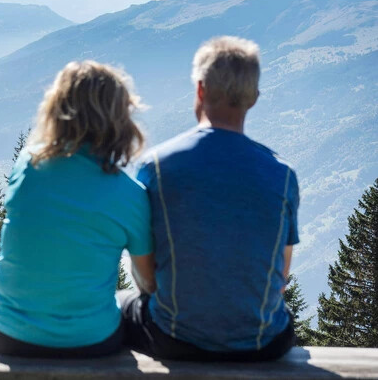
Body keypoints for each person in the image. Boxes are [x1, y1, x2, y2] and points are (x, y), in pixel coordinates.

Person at [120, 36, 299, 361]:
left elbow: (146, 275)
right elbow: (281, 276)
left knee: (119, 304)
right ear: (254, 98)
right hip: (263, 343)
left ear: (200, 89)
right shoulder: (283, 174)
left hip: (176, 339)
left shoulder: (156, 165)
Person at [0, 60, 157, 358]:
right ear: (118, 119)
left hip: (6, 330)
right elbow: (148, 283)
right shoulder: (129, 194)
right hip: (90, 340)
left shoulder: (28, 165)